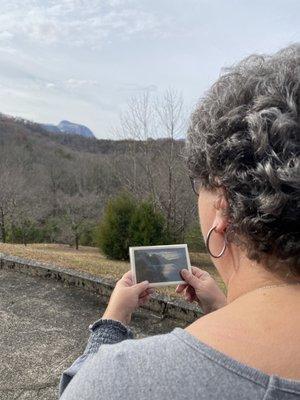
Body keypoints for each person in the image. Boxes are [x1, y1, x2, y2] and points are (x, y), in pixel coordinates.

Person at [59, 45, 300, 399]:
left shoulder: (122, 383)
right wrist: (223, 309)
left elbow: (78, 390)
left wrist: (110, 324)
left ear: (223, 207)